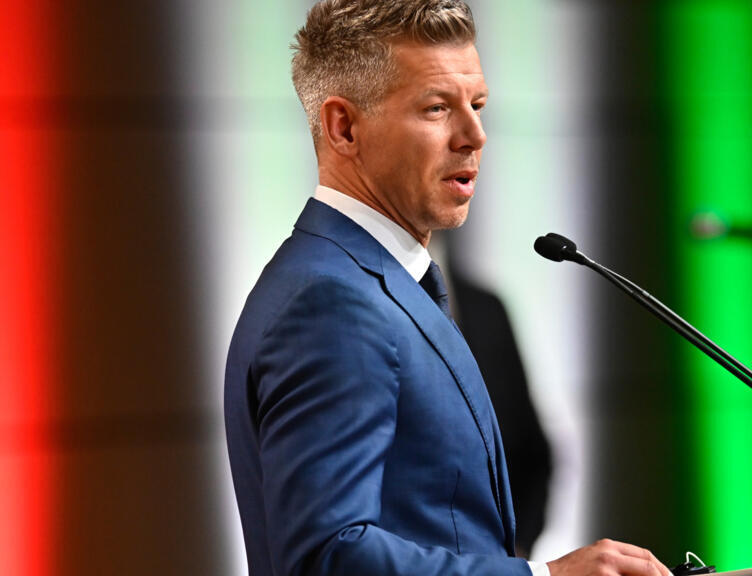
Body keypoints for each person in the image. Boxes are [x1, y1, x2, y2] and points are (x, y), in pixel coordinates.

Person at [224, 1, 674, 575]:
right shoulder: (331, 302)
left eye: (477, 105)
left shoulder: (368, 281)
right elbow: (326, 557)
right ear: (344, 128)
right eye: (437, 108)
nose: (475, 135)